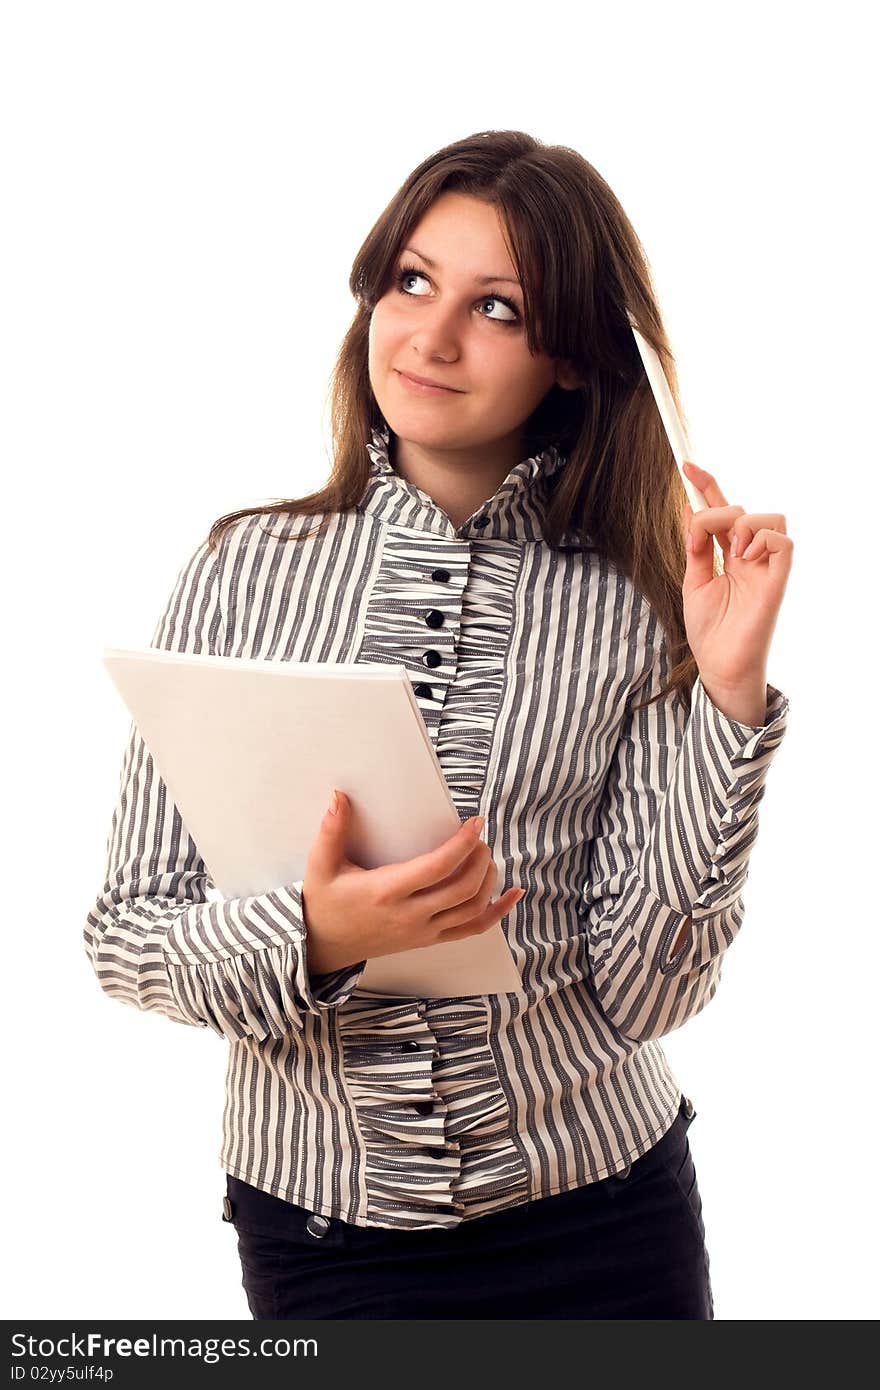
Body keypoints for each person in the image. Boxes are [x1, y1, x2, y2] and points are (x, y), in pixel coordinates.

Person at [84, 129, 793, 1320]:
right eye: (411, 280)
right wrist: (316, 933)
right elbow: (126, 934)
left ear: (571, 358)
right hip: (324, 1235)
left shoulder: (638, 601)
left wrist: (725, 695)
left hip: (606, 1212)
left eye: (498, 307)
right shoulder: (241, 569)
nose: (430, 335)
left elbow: (647, 996)